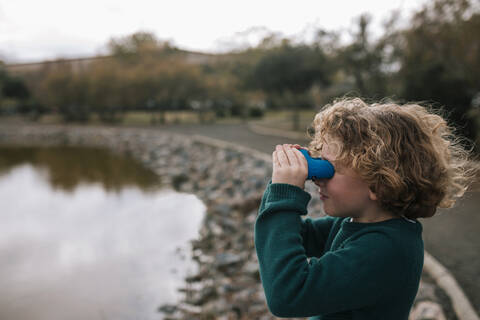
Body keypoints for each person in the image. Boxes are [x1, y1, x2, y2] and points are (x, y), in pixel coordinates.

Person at [254, 97, 476, 320]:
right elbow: (293, 236)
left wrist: (284, 194)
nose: (317, 179)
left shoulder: (387, 250)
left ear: (377, 184)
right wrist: (280, 185)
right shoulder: (358, 222)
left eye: (328, 169)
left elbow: (288, 295)